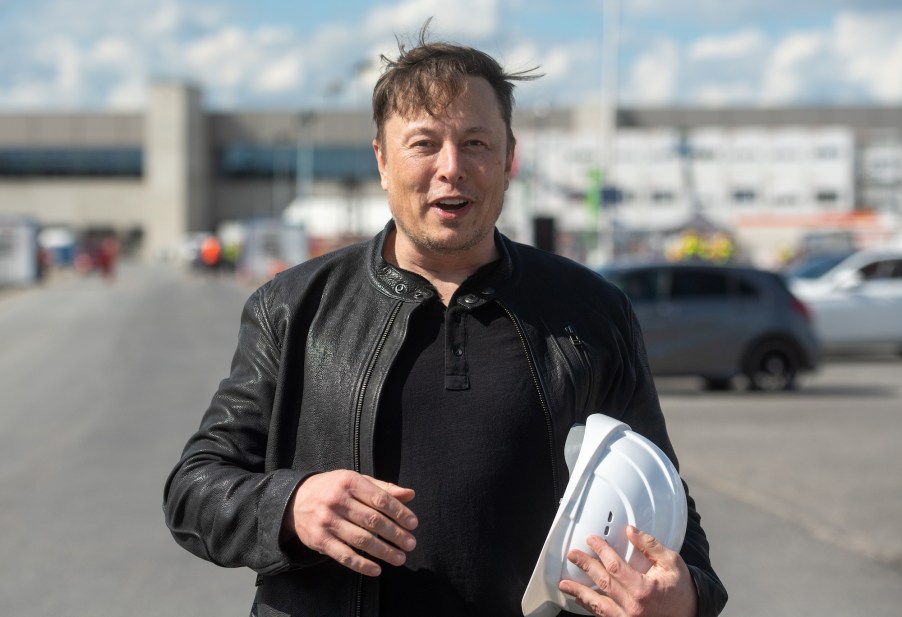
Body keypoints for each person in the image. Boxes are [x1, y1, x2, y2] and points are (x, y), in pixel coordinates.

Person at [163, 23, 728, 617]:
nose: (451, 167)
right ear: (382, 161)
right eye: (424, 143)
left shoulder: (592, 313)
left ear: (509, 158)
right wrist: (291, 503)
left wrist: (687, 595)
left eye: (477, 143)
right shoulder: (293, 307)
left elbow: (664, 500)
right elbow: (193, 489)